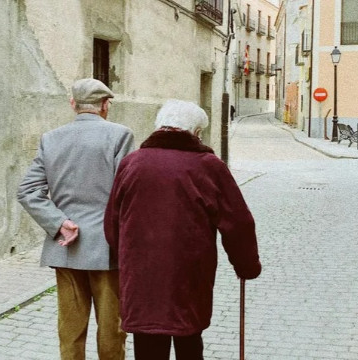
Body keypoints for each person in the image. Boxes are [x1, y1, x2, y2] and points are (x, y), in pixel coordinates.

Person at [103, 99, 261, 360]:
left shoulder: (132, 163)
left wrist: (127, 258)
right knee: (189, 339)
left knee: (147, 342)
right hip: (189, 275)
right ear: (196, 133)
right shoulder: (208, 166)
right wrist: (246, 265)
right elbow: (238, 223)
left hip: (142, 277)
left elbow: (112, 222)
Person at [17, 78, 134, 360]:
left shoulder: (51, 138)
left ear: (73, 104)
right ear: (105, 106)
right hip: (108, 248)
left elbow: (27, 190)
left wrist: (58, 223)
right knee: (111, 330)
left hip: (66, 246)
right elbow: (128, 191)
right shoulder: (121, 135)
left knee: (70, 331)